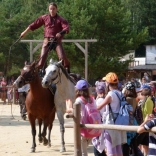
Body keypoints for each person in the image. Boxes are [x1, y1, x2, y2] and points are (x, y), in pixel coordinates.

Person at [20, 2, 70, 73]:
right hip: (47, 41)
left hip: (56, 42)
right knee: (41, 62)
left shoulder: (61, 19)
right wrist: (24, 32)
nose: (52, 10)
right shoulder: (44, 18)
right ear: (48, 9)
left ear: (56, 9)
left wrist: (60, 33)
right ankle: (35, 76)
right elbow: (33, 25)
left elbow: (66, 28)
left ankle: (66, 74)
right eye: (50, 9)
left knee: (62, 59)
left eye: (53, 9)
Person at [97, 72, 126, 156]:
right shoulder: (120, 93)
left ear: (108, 83)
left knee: (110, 149)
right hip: (120, 122)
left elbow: (99, 107)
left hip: (110, 124)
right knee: (118, 148)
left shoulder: (110, 94)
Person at [66, 80, 96, 156]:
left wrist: (69, 108)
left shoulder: (79, 100)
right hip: (92, 128)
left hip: (83, 128)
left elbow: (77, 112)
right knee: (84, 149)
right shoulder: (92, 99)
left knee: (83, 152)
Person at [93, 81, 107, 156]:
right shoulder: (105, 100)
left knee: (98, 151)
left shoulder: (99, 101)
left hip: (100, 128)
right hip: (104, 127)